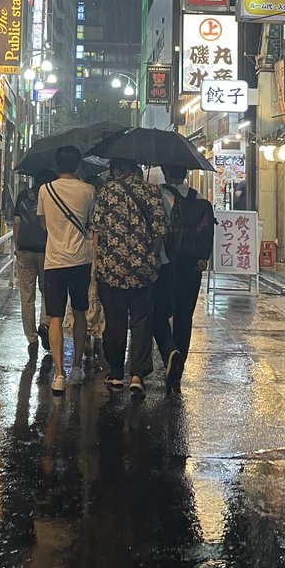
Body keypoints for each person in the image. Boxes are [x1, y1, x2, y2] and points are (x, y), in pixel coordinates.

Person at [93, 157, 168, 395]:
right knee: (141, 321)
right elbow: (159, 232)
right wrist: (150, 256)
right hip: (143, 270)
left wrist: (97, 262)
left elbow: (97, 230)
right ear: (136, 168)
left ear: (116, 169)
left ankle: (115, 373)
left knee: (115, 322)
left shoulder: (106, 192)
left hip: (111, 270)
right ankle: (137, 374)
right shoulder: (151, 191)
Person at [37, 145, 96, 395]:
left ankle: (59, 375)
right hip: (81, 259)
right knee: (80, 312)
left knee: (55, 317)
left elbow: (43, 223)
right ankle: (76, 367)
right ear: (78, 164)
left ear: (57, 164)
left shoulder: (45, 189)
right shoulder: (88, 190)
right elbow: (90, 222)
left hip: (54, 261)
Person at [157, 164, 215, 392]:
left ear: (166, 172)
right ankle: (178, 368)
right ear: (186, 175)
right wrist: (203, 258)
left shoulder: (160, 195)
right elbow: (208, 231)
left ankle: (169, 350)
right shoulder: (200, 199)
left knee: (159, 313)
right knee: (184, 315)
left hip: (165, 262)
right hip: (192, 266)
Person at [12, 168, 57, 359]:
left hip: (25, 250)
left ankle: (31, 338)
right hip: (48, 250)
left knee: (27, 295)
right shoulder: (53, 197)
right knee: (48, 291)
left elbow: (16, 223)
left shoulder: (23, 196)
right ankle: (45, 323)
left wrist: (17, 246)